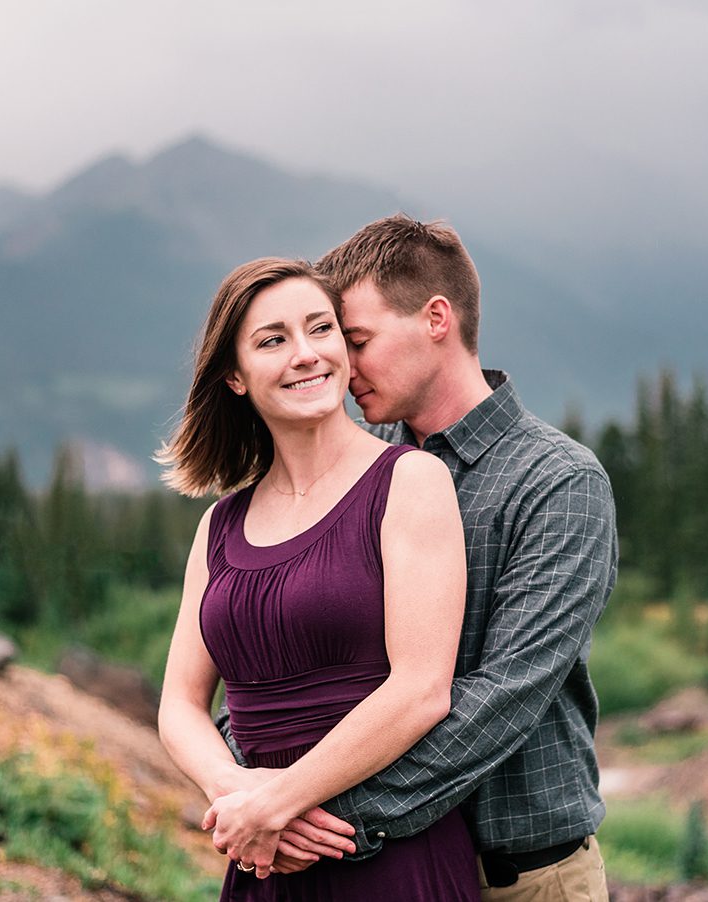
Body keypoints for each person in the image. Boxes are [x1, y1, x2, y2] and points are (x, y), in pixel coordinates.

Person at [246, 215, 620, 901]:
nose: (341, 366)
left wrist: (328, 819)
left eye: (355, 340)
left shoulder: (559, 482)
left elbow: (504, 696)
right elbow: (300, 658)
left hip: (523, 879)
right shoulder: (359, 471)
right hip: (378, 874)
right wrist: (248, 781)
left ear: (436, 318)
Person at [156, 257, 482, 900]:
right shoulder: (219, 526)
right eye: (273, 340)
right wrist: (237, 797)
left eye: (321, 329)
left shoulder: (410, 481)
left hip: (392, 862)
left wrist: (279, 802)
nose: (306, 355)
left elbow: (422, 690)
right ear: (235, 376)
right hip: (265, 860)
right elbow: (179, 706)